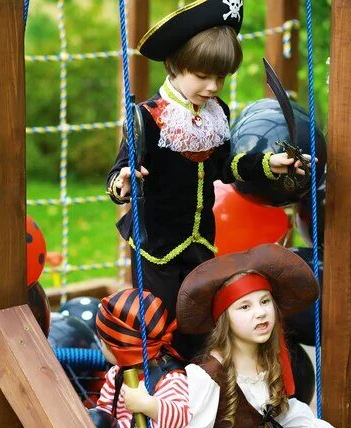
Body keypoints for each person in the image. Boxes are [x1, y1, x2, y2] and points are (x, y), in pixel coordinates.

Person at [106, 2, 309, 350]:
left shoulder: (218, 114)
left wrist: (267, 164)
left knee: (199, 320)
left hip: (201, 241)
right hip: (159, 247)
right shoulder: (148, 118)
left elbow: (224, 167)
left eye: (221, 77)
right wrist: (123, 182)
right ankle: (164, 384)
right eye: (203, 76)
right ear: (176, 66)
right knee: (161, 319)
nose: (213, 86)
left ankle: (199, 382)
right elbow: (118, 172)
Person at [150, 243, 351, 428]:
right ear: (225, 319)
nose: (260, 313)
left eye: (264, 301)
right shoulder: (207, 374)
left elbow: (284, 412)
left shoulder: (268, 359)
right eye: (245, 307)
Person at [93, 288, 190, 428]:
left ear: (122, 349)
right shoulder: (116, 374)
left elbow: (180, 417)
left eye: (104, 342)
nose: (100, 346)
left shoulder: (169, 378)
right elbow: (105, 410)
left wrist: (148, 405)